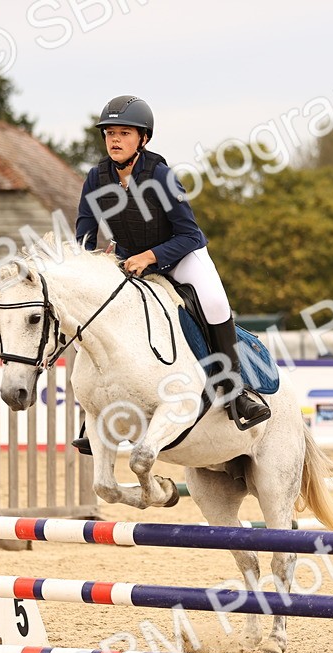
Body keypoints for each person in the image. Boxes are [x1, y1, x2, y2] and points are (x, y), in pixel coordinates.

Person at [71, 95, 269, 452]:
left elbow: (190, 235)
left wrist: (151, 255)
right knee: (94, 312)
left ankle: (237, 392)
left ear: (142, 139)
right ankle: (92, 412)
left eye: (124, 134)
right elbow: (84, 236)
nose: (114, 140)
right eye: (110, 133)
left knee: (213, 302)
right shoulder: (95, 178)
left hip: (180, 256)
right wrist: (89, 269)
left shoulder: (160, 176)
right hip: (130, 262)